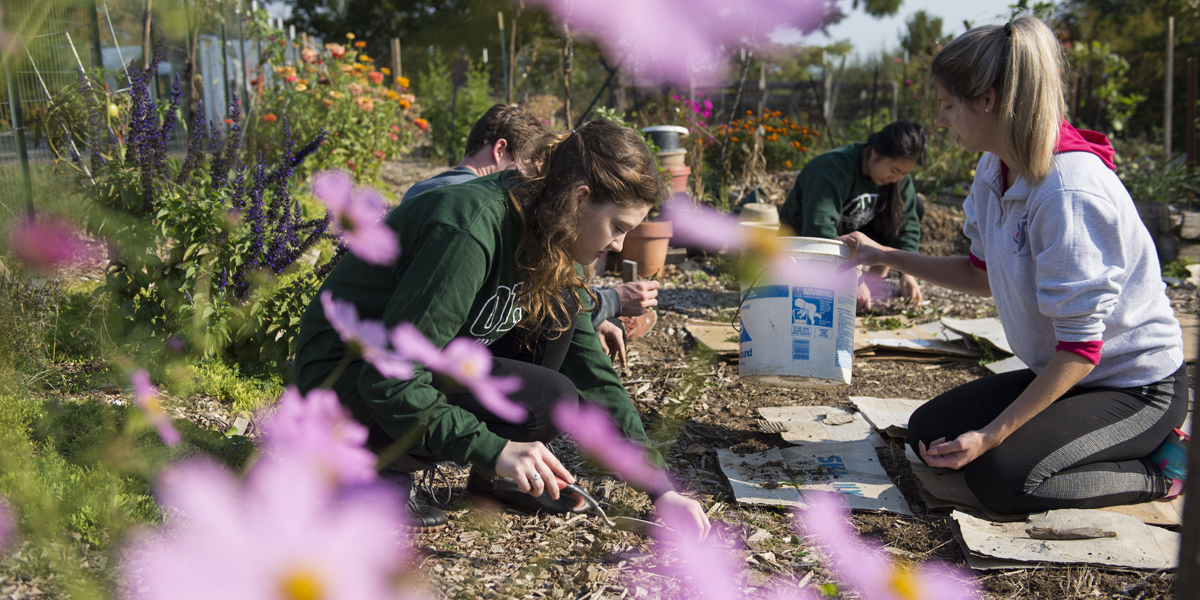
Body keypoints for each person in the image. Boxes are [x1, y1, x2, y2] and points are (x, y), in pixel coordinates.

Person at [294, 119, 711, 539]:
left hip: (410, 366)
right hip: (344, 381)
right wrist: (493, 448)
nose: (619, 245)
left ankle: (496, 480)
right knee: (547, 391)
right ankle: (376, 467)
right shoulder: (469, 230)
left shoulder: (552, 233)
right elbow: (389, 378)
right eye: (618, 227)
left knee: (553, 377)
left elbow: (593, 375)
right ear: (581, 198)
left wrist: (660, 489)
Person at [841, 16, 1187, 515]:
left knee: (1002, 478)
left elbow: (1081, 350)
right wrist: (881, 254)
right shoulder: (995, 168)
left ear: (988, 99)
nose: (940, 120)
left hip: (1134, 387)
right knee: (928, 433)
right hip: (1068, 376)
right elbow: (979, 274)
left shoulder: (1068, 193)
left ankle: (1164, 470)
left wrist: (991, 435)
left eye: (947, 104)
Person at [402, 103, 660, 367]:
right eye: (524, 165)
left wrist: (595, 316)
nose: (531, 180)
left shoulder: (503, 210)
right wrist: (609, 303)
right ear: (500, 150)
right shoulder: (468, 216)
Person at [779, 121, 928, 311]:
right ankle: (823, 282)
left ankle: (874, 282)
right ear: (875, 151)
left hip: (849, 233)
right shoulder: (833, 167)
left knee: (914, 206)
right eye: (894, 171)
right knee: (829, 223)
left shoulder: (897, 179)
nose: (896, 178)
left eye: (904, 174)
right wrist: (853, 279)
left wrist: (908, 271)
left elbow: (907, 226)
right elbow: (819, 227)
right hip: (804, 243)